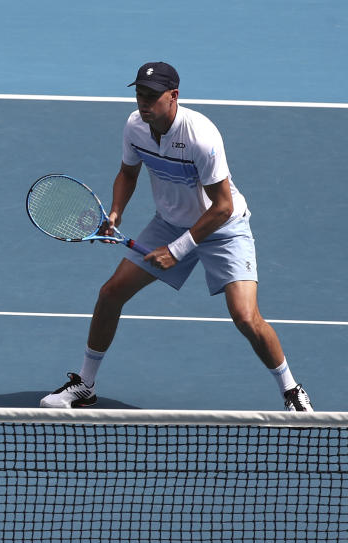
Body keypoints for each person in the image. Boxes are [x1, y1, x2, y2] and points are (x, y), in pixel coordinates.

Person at [40, 61, 312, 412]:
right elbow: (127, 173)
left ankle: (292, 391)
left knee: (246, 316)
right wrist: (116, 211)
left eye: (152, 96)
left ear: (174, 96)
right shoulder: (135, 127)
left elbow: (223, 206)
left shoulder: (201, 135)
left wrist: (178, 249)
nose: (144, 103)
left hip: (222, 229)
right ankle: (85, 385)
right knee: (110, 294)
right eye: (140, 94)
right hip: (168, 223)